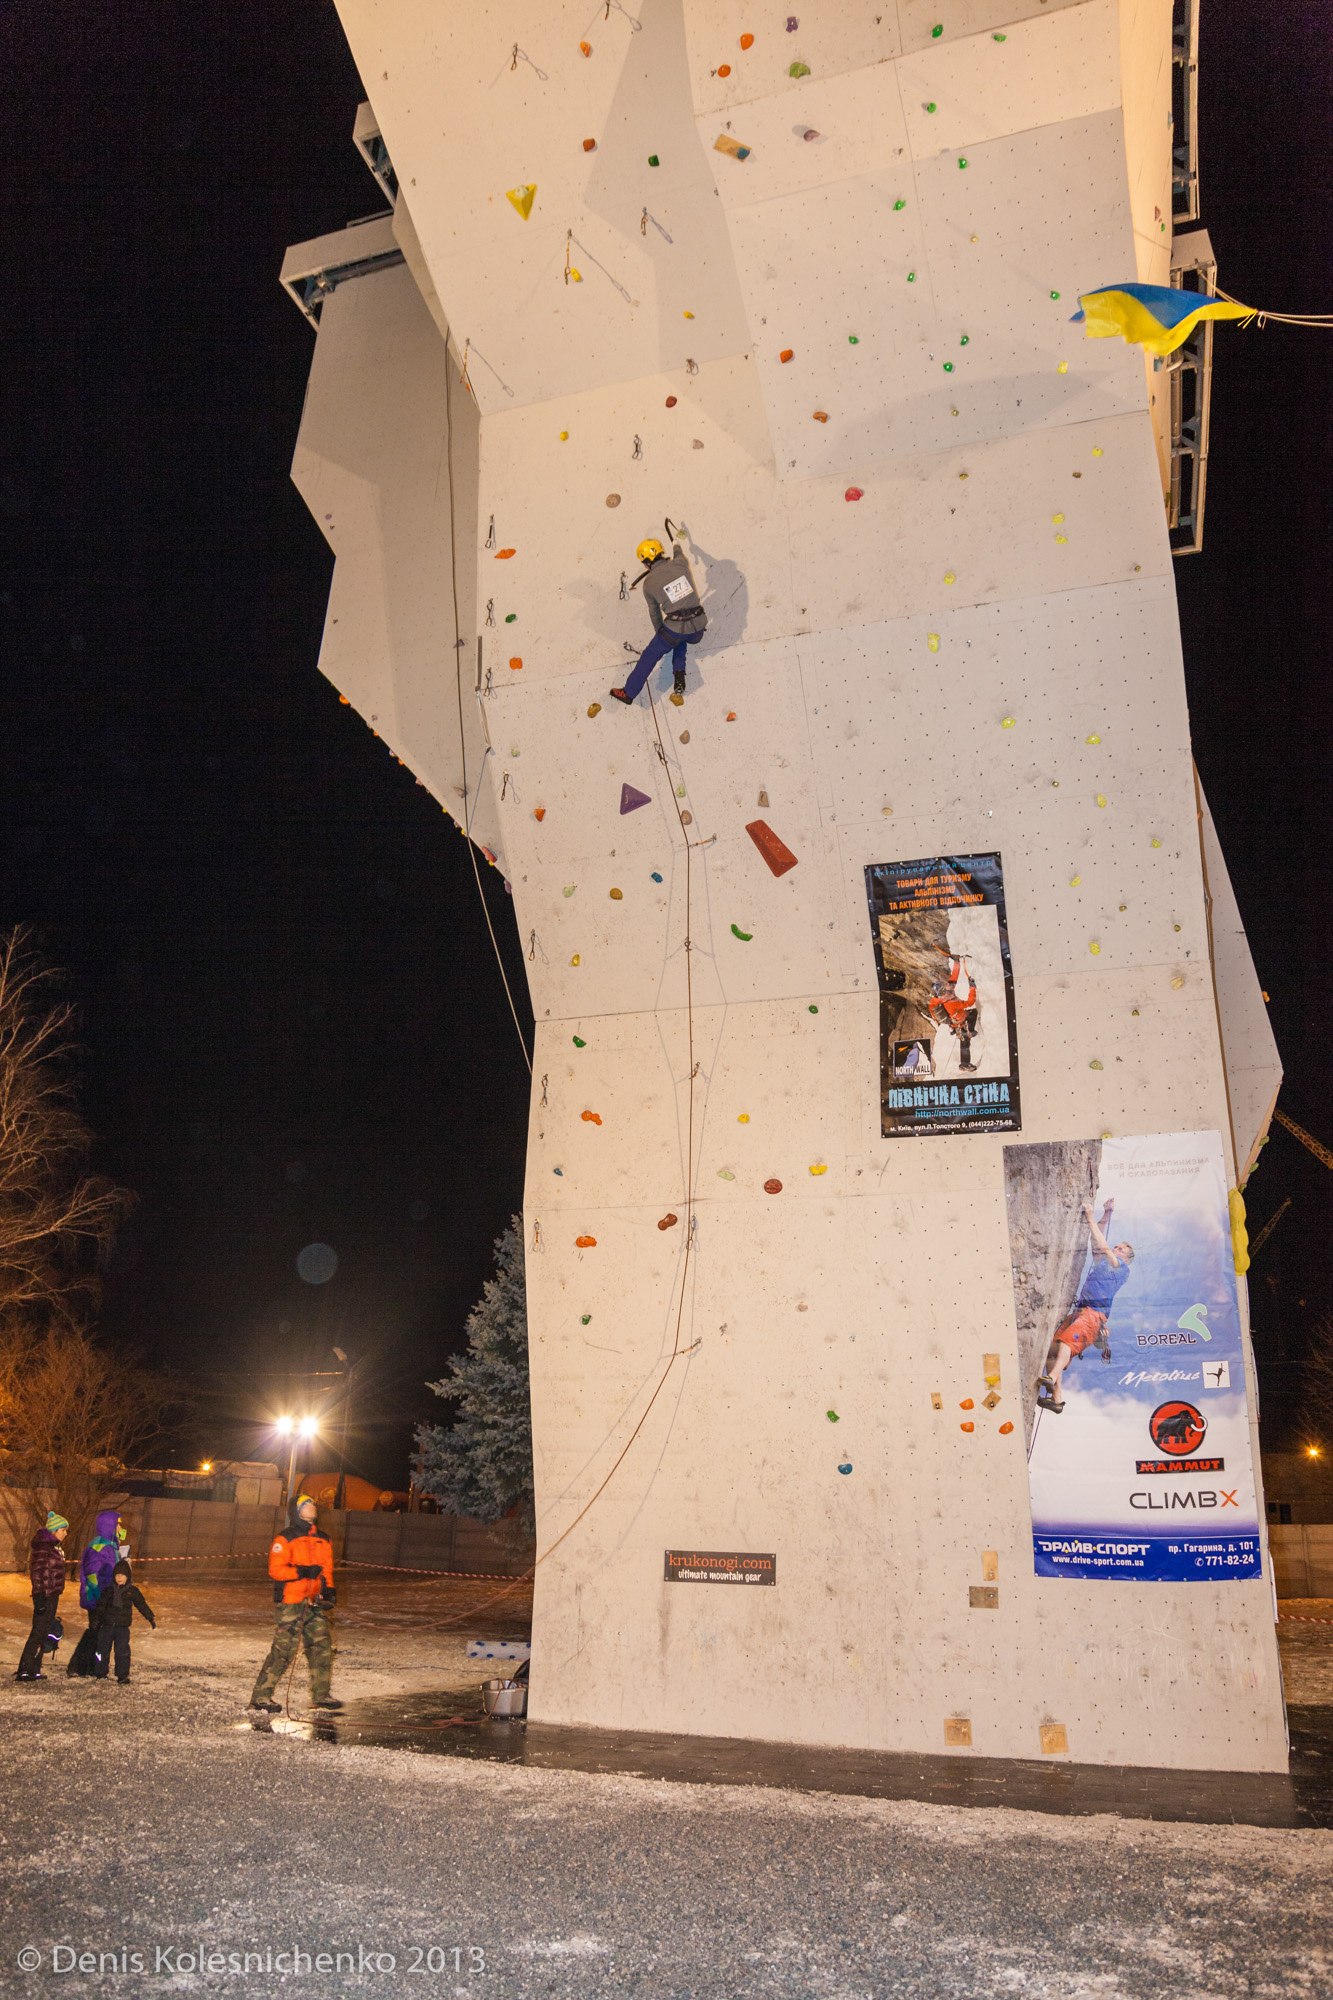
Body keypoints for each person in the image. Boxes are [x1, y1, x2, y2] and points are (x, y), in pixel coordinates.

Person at [1038, 1199, 1135, 1413]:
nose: (1115, 1248)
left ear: (1126, 1259)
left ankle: (1051, 1377)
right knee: (1052, 1349)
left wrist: (1090, 1217)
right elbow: (1097, 1237)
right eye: (1116, 1246)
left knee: (1066, 1342)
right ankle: (1056, 1398)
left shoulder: (1122, 1270)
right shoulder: (1104, 1264)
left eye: (1120, 1249)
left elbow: (1102, 1245)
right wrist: (1106, 1214)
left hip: (1094, 1316)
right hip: (1081, 1312)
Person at [248, 1493, 342, 1716]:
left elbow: (327, 1569)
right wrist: (301, 1572)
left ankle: (321, 1695)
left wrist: (329, 1590)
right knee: (283, 1651)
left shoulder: (324, 1539)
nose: (312, 1506)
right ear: (297, 1510)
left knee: (322, 1648)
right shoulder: (285, 1538)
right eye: (306, 1504)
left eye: (312, 1503)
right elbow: (275, 1570)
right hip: (291, 1602)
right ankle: (260, 1697)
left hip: (314, 1602)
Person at [610, 535, 707, 706]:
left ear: (646, 562)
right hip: (698, 628)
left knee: (652, 653)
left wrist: (660, 635)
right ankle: (679, 674)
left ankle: (628, 692)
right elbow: (678, 551)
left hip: (675, 630)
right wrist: (675, 542)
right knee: (680, 636)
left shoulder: (648, 583)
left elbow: (654, 613)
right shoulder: (680, 562)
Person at [66, 1509, 125, 1678]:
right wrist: (100, 1596)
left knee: (99, 1633)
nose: (121, 1527)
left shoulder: (112, 1546)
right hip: (97, 1597)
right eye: (118, 1524)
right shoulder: (99, 1546)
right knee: (94, 1632)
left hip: (107, 1596)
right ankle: (77, 1665)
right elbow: (93, 1574)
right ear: (110, 1526)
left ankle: (90, 1666)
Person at [14, 1511, 69, 1682]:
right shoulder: (43, 1549)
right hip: (44, 1596)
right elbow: (37, 1573)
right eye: (63, 1530)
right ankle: (25, 1668)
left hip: (52, 1595)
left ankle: (34, 1669)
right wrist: (39, 1597)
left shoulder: (53, 1548)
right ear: (54, 1531)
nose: (65, 1533)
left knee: (44, 1632)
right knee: (38, 1633)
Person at [91, 1561, 156, 1684]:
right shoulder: (108, 1590)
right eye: (117, 1575)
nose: (119, 1578)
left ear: (128, 1577)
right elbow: (100, 1607)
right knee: (102, 1651)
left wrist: (150, 1617)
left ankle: (122, 1675)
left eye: (122, 1575)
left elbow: (141, 1604)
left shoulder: (132, 1591)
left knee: (122, 1652)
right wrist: (96, 1620)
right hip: (107, 1626)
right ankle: (100, 1672)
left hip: (122, 1628)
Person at [926, 954, 979, 1073]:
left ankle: (964, 1063)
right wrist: (972, 988)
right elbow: (970, 1002)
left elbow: (954, 977)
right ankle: (969, 1033)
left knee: (964, 1040)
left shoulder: (939, 999)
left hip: (955, 1021)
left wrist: (956, 963)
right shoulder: (951, 1001)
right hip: (960, 1020)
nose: (947, 988)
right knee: (972, 1015)